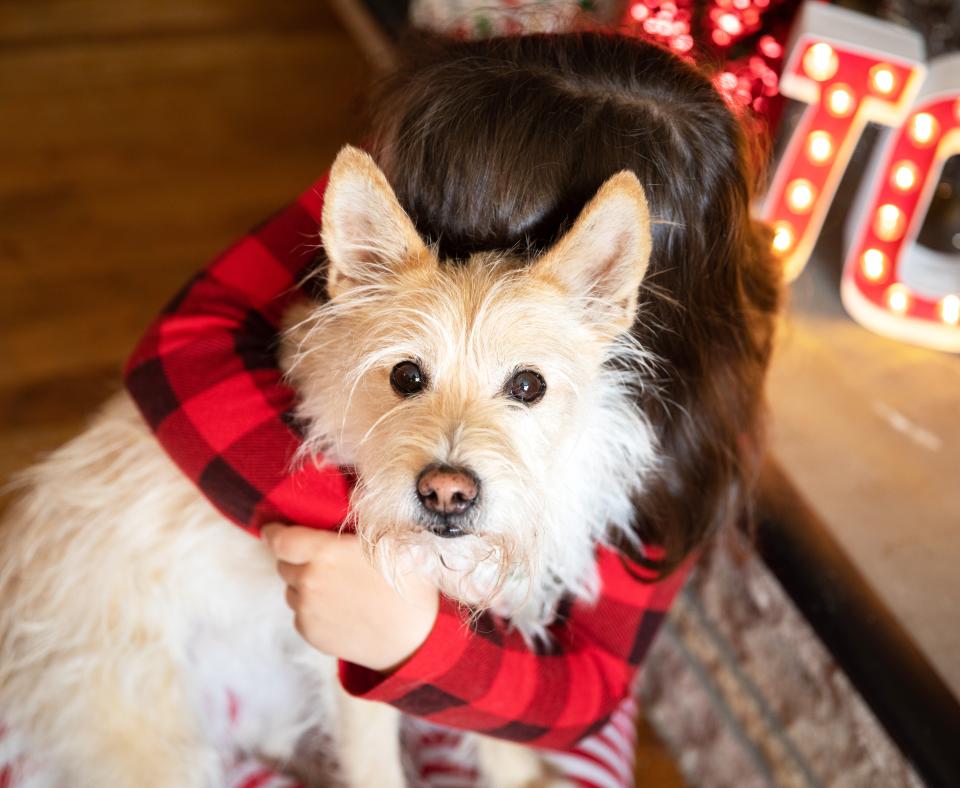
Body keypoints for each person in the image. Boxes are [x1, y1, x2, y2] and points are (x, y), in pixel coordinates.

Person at [125, 32, 779, 786]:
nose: (455, 247)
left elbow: (590, 688)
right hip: (248, 610)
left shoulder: (689, 407)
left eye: (525, 386)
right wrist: (358, 527)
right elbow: (177, 350)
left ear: (616, 281)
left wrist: (416, 636)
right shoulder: (433, 162)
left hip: (506, 653)